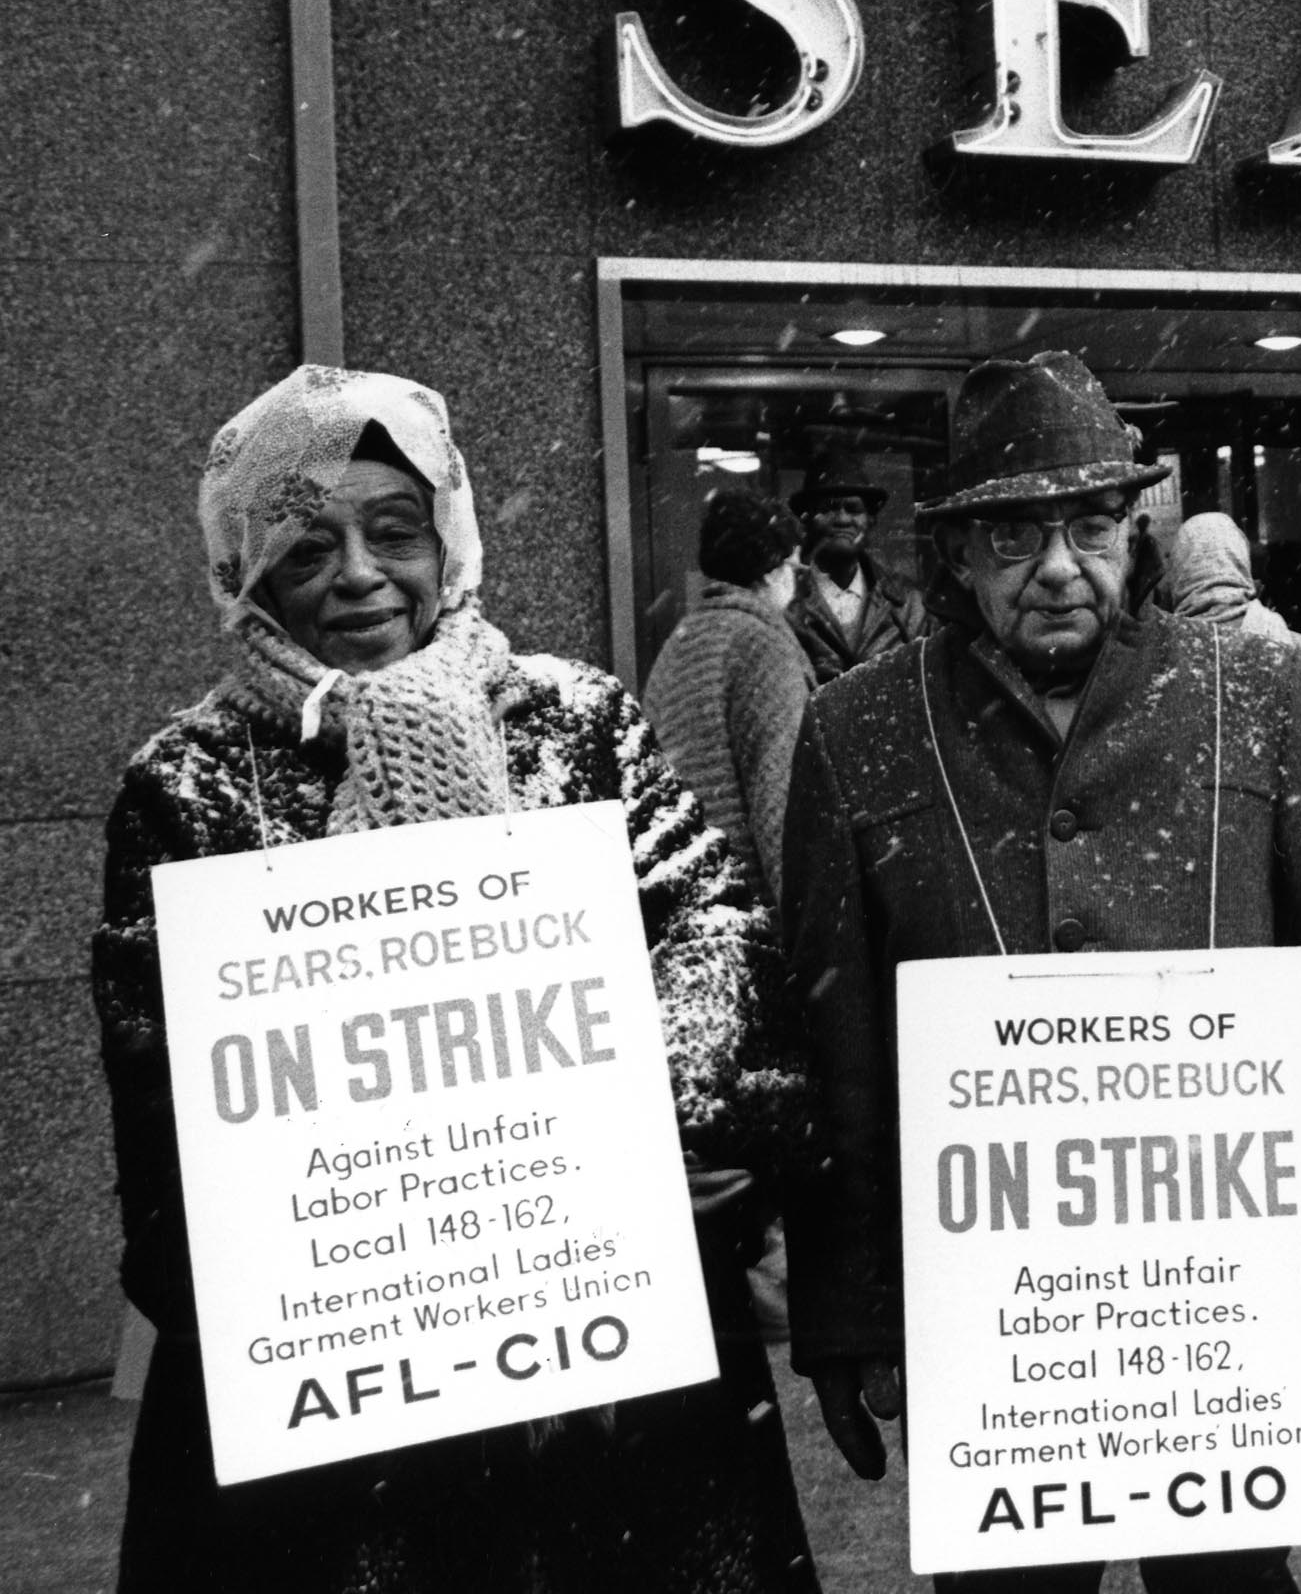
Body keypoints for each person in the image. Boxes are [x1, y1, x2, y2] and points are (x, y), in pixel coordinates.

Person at [92, 366, 820, 1593]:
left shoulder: (577, 722)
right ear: (247, 568)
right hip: (347, 1406)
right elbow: (161, 1079)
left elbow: (714, 928)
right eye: (307, 544)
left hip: (607, 1362)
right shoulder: (190, 783)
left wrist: (661, 1118)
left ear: (451, 535)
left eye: (394, 530)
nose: (362, 574)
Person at [778, 352, 1301, 1594]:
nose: (1059, 567)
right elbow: (840, 1045)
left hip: (1219, 1300)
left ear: (1134, 538)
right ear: (959, 557)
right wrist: (849, 1311)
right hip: (996, 1318)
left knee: (1234, 1584)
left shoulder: (1256, 688)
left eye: (1090, 527)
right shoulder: (860, 726)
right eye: (1015, 536)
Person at [645, 490, 813, 904]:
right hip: (749, 909)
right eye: (795, 567)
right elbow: (783, 805)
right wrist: (806, 927)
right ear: (773, 571)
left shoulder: (682, 641)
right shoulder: (761, 645)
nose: (796, 581)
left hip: (690, 898)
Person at [786, 453, 931, 684]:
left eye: (853, 509)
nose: (842, 519)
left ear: (870, 521)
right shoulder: (786, 603)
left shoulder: (909, 605)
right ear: (807, 520)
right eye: (829, 508)